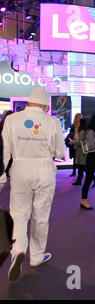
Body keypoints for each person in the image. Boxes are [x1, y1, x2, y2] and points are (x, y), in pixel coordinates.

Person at [2, 87, 65, 281]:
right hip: (44, 169)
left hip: (20, 168)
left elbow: (3, 151)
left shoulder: (11, 120)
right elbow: (60, 152)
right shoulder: (53, 122)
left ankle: (18, 250)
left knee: (18, 213)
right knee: (41, 214)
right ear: (46, 106)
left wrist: (1, 175)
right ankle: (37, 257)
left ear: (29, 102)